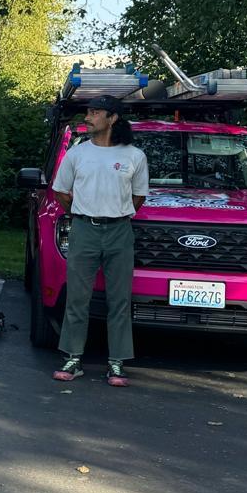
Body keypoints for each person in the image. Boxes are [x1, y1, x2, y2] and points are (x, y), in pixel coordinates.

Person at [50, 94, 149, 386]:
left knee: (119, 299)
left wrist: (114, 213)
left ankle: (117, 362)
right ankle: (73, 358)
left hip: (120, 231)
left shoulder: (134, 156)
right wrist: (82, 214)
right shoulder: (77, 153)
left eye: (95, 113)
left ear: (112, 118)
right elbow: (61, 192)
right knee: (77, 298)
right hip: (84, 229)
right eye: (88, 112)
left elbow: (138, 197)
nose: (88, 117)